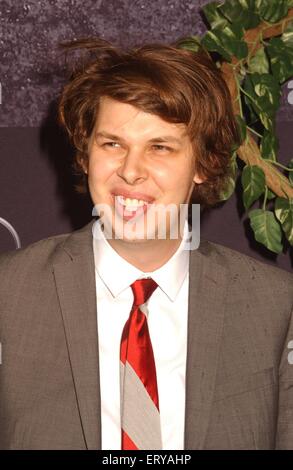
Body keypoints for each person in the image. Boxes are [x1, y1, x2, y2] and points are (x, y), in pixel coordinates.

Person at [0, 37, 292, 451]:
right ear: (85, 155)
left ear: (203, 164)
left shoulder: (275, 307)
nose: (131, 171)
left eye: (160, 147)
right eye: (112, 144)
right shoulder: (8, 296)